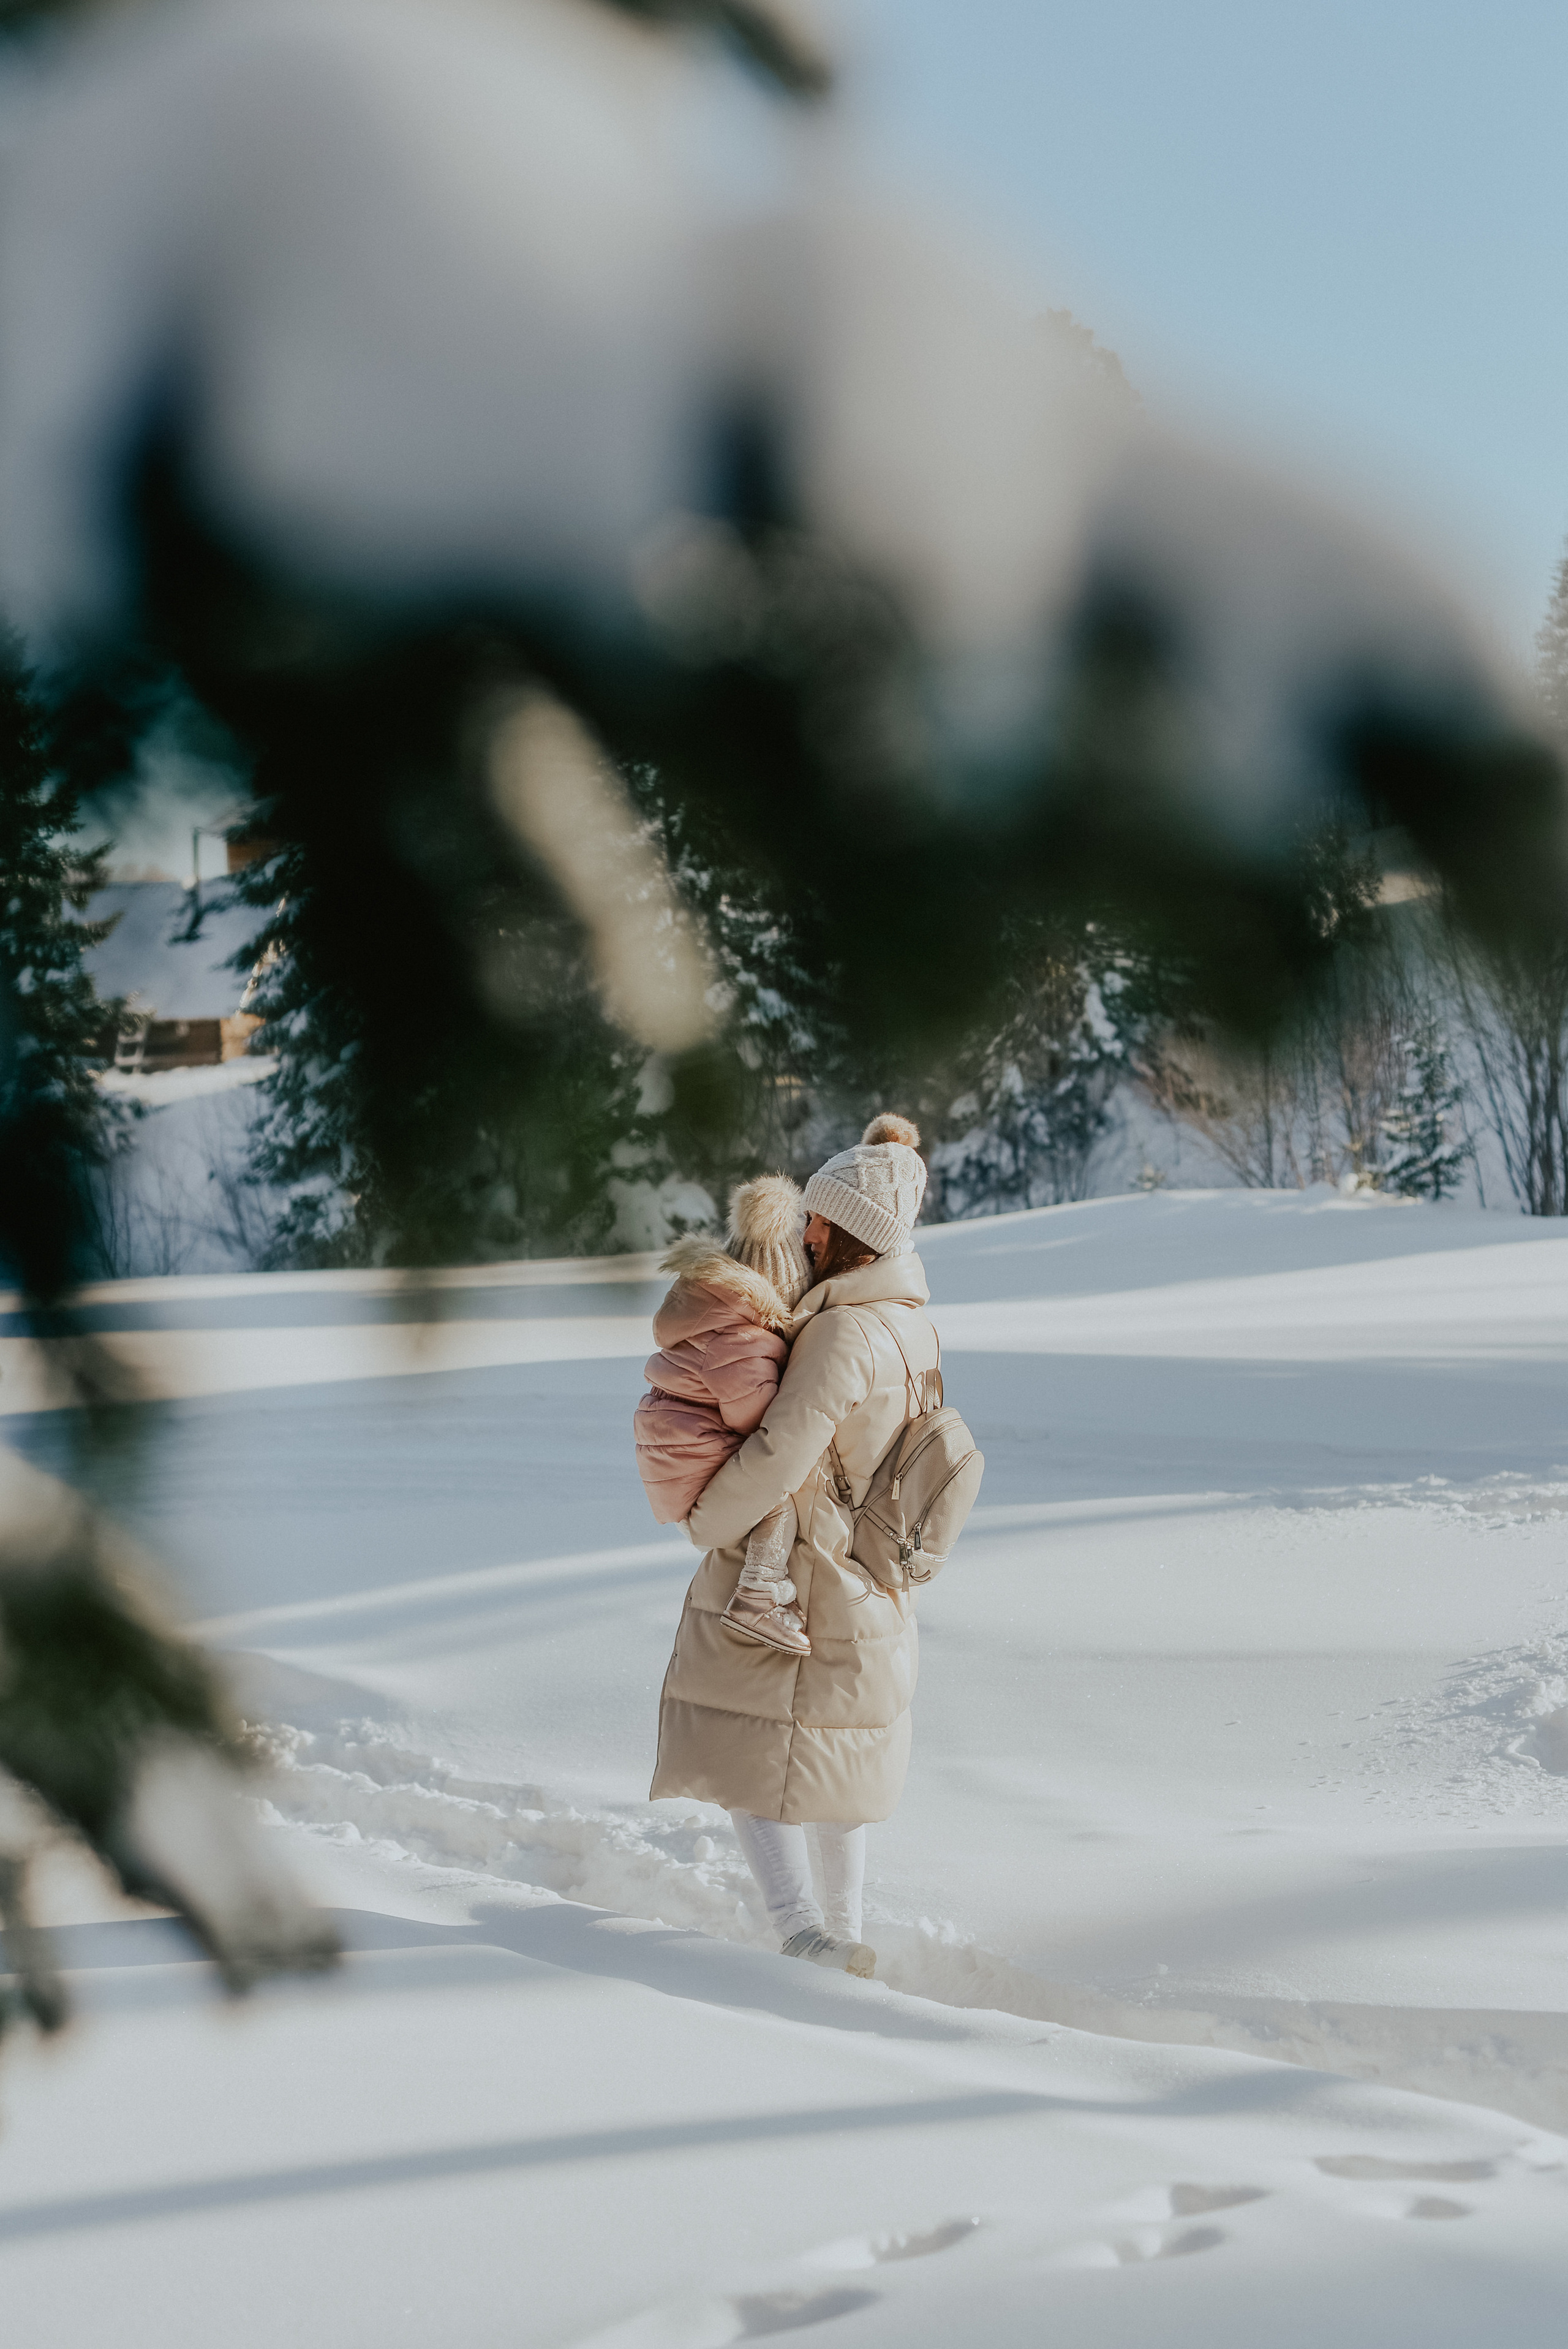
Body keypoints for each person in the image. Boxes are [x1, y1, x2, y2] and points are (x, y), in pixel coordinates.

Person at [650, 1114, 937, 1978]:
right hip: (868, 1572)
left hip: (800, 1570)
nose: (806, 1229)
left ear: (847, 1234)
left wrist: (706, 1520)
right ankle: (839, 1932)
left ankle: (801, 1931)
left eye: (819, 1218)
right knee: (832, 1751)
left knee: (749, 1741)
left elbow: (783, 1452)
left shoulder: (843, 1335)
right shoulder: (907, 1323)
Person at [634, 1176, 816, 1654]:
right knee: (777, 1489)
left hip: (677, 1447)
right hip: (692, 1453)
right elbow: (756, 1421)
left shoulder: (712, 1314)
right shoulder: (742, 1343)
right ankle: (758, 1595)